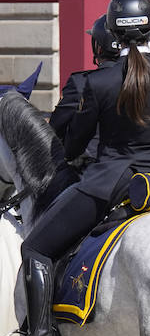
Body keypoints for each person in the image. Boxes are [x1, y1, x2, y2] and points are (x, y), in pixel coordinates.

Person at [11, 0, 150, 336]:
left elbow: (74, 145)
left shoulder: (97, 82)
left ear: (112, 32)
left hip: (110, 183)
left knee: (35, 249)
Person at [36, 16, 122, 216]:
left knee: (35, 246)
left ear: (99, 48)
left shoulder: (81, 82)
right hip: (142, 174)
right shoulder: (147, 82)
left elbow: (54, 131)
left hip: (90, 175)